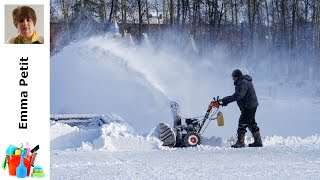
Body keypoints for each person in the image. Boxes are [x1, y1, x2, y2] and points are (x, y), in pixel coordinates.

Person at [221, 69, 263, 148]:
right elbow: (237, 95)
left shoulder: (243, 82)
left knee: (242, 123)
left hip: (249, 106)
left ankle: (240, 142)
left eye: (234, 77)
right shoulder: (242, 82)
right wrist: (225, 100)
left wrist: (226, 100)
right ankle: (258, 142)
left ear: (238, 76)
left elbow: (239, 95)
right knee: (251, 123)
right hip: (250, 105)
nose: (232, 78)